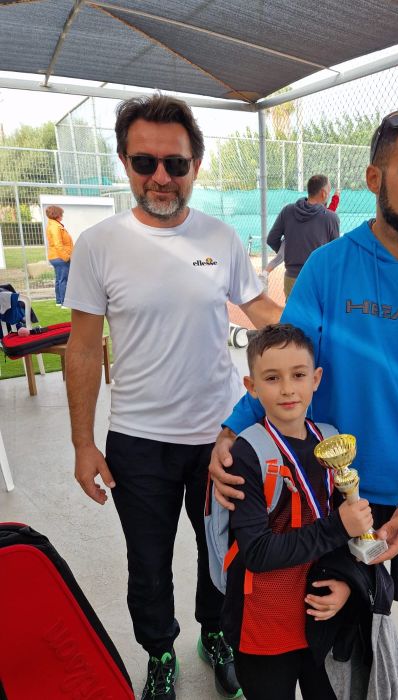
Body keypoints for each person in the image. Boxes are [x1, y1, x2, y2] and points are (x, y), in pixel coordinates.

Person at [209, 109, 398, 700]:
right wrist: (231, 433)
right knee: (330, 596)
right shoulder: (329, 266)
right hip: (331, 482)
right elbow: (287, 360)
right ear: (374, 178)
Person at [64, 93, 281, 700]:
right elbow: (82, 348)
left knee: (222, 549)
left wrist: (325, 338)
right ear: (124, 162)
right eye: (145, 162)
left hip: (220, 437)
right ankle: (160, 651)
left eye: (175, 164)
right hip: (137, 442)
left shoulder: (220, 236)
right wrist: (83, 444)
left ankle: (217, 635)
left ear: (195, 166)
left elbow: (262, 311)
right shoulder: (99, 244)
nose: (160, 176)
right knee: (148, 561)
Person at [220, 322, 374, 700]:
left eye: (299, 375)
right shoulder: (247, 454)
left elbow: (352, 539)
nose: (288, 388)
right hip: (265, 625)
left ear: (316, 379)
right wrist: (338, 526)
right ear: (252, 386)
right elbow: (257, 552)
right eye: (272, 378)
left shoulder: (332, 442)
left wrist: (347, 586)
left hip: (321, 614)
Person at [267, 175, 340, 299]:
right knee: (316, 311)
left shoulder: (287, 211)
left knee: (293, 311)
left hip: (291, 277)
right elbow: (335, 254)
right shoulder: (330, 218)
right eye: (328, 191)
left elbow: (271, 239)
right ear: (323, 193)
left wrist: (290, 252)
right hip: (317, 278)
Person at [262, 189, 341, 278]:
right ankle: (265, 273)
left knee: (279, 257)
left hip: (292, 248)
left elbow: (272, 240)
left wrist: (289, 251)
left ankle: (265, 273)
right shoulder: (327, 216)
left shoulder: (294, 209)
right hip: (311, 264)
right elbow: (333, 207)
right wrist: (336, 196)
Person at [45, 205, 74, 307]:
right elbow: (58, 244)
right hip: (60, 257)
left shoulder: (54, 225)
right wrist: (66, 257)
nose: (62, 216)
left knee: (59, 279)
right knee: (63, 280)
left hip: (56, 256)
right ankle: (65, 303)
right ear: (57, 214)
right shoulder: (55, 227)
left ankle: (59, 301)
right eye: (61, 214)